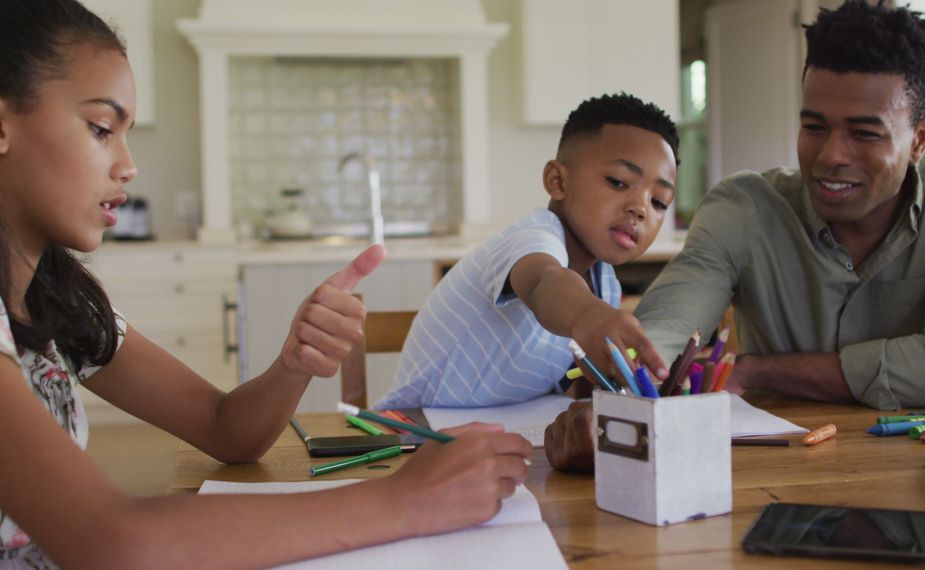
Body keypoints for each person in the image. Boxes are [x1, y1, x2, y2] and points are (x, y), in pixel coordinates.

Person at [0, 1, 530, 567]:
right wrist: (407, 498)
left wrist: (294, 362)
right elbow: (111, 542)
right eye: (102, 128)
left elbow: (223, 428)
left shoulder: (62, 302)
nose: (129, 166)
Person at [546, 0, 925, 471]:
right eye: (814, 126)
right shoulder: (743, 208)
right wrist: (618, 398)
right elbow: (663, 333)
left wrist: (758, 370)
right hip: (777, 473)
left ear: (918, 139)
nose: (831, 154)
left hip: (923, 471)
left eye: (865, 134)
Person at [376, 93, 676, 409]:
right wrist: (587, 314)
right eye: (618, 182)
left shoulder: (605, 287)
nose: (640, 208)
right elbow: (546, 282)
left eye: (658, 202)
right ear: (557, 181)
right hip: (412, 434)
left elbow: (575, 385)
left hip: (501, 438)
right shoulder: (530, 240)